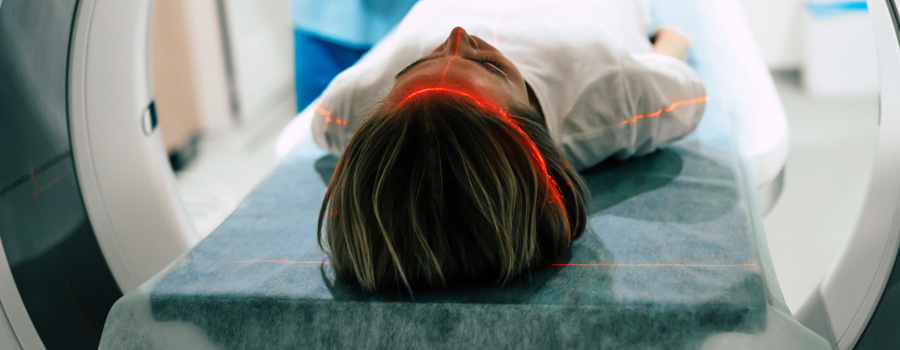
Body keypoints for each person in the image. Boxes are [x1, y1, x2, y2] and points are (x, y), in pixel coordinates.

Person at [312, 0, 707, 293]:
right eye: (490, 66)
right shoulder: (613, 97)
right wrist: (672, 41)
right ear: (532, 127)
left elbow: (325, 118)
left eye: (415, 63)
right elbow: (677, 72)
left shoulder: (347, 108)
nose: (457, 35)